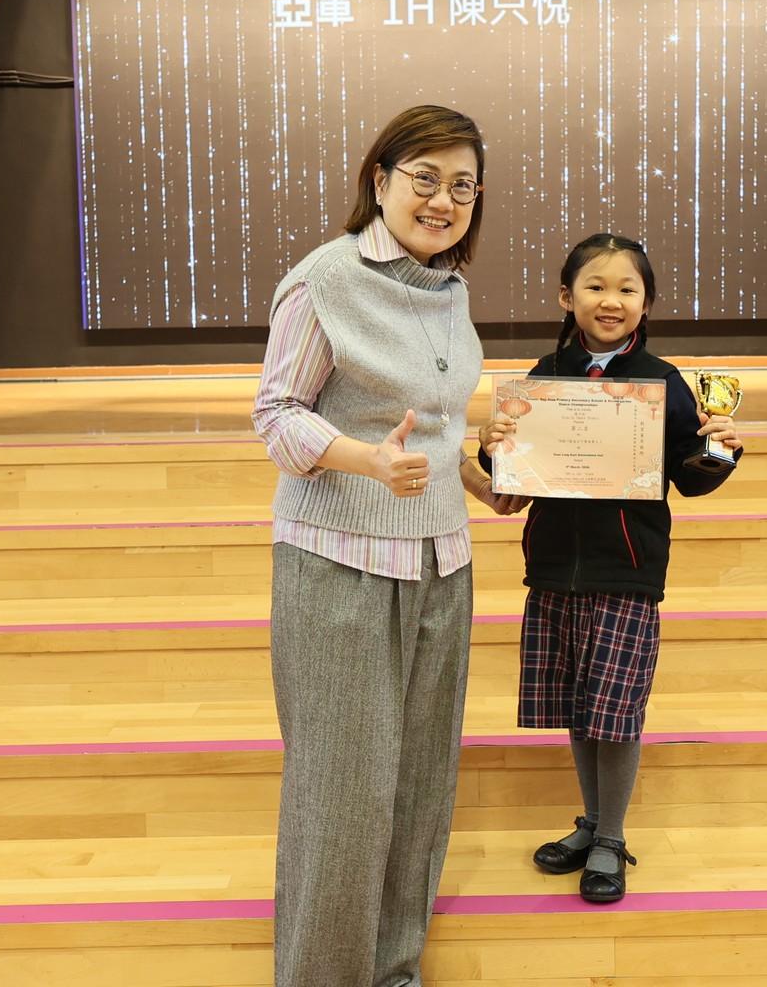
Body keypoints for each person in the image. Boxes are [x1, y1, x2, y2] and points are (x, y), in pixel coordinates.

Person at [252, 104, 526, 987]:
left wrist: (483, 482)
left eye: (463, 187)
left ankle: (394, 970)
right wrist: (366, 460)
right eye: (425, 179)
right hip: (341, 562)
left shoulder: (449, 290)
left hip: (442, 563)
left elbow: (433, 433)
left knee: (418, 786)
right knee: (343, 792)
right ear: (380, 180)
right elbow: (276, 415)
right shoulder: (323, 280)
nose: (443, 201)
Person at [477, 233, 743, 903]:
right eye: (595, 286)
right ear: (566, 297)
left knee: (616, 712)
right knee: (579, 703)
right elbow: (513, 476)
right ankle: (592, 823)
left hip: (627, 572)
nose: (611, 300)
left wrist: (719, 452)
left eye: (627, 288)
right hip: (553, 569)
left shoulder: (665, 382)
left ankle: (612, 838)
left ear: (646, 302)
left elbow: (689, 476)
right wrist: (490, 448)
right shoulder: (543, 376)